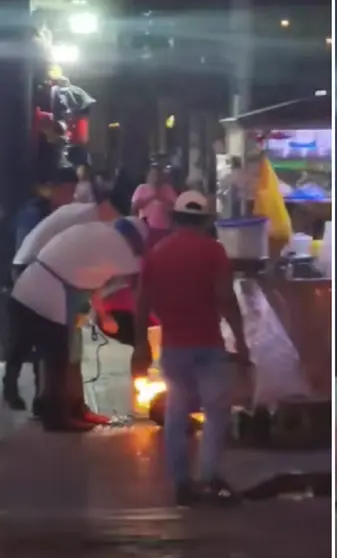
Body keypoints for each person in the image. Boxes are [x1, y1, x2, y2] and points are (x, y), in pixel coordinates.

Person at [132, 191, 249, 505]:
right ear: (206, 221)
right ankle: (209, 475)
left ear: (175, 219)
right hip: (208, 345)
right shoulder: (213, 251)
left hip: (174, 348)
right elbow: (226, 298)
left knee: (177, 413)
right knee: (216, 411)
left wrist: (140, 343)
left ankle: (181, 483)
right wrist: (241, 340)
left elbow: (142, 303)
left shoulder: (156, 253)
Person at [9, 216, 148, 431]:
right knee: (59, 357)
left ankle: (69, 407)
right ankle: (57, 417)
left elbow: (92, 282)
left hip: (33, 286)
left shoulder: (95, 233)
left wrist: (102, 315)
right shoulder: (118, 246)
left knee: (64, 355)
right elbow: (139, 285)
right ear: (134, 241)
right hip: (48, 294)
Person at [4, 184, 121, 411]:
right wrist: (101, 310)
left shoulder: (87, 217)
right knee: (41, 336)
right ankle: (39, 397)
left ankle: (42, 396)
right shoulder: (85, 220)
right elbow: (84, 268)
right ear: (105, 206)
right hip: (33, 268)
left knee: (40, 337)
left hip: (39, 268)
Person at [131, 164, 177, 247]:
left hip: (164, 230)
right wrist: (151, 197)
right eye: (154, 175)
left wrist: (161, 197)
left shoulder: (168, 189)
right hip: (145, 229)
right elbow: (134, 208)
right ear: (149, 176)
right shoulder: (141, 188)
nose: (156, 178)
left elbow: (174, 208)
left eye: (159, 176)